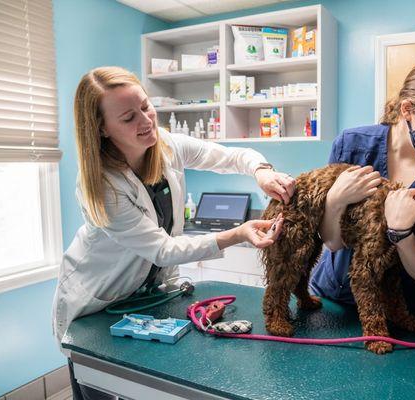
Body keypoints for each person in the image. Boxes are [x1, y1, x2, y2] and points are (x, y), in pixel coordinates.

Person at [52, 66, 294, 399]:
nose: (146, 120)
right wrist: (238, 234)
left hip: (149, 296)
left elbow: (232, 156)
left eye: (145, 106)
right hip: (98, 301)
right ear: (102, 129)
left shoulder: (166, 146)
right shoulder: (103, 184)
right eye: (128, 117)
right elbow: (163, 250)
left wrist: (262, 172)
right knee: (100, 389)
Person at [310, 56, 415, 314]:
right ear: (407, 109)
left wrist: (402, 234)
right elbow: (333, 243)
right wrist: (335, 199)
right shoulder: (352, 145)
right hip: (339, 300)